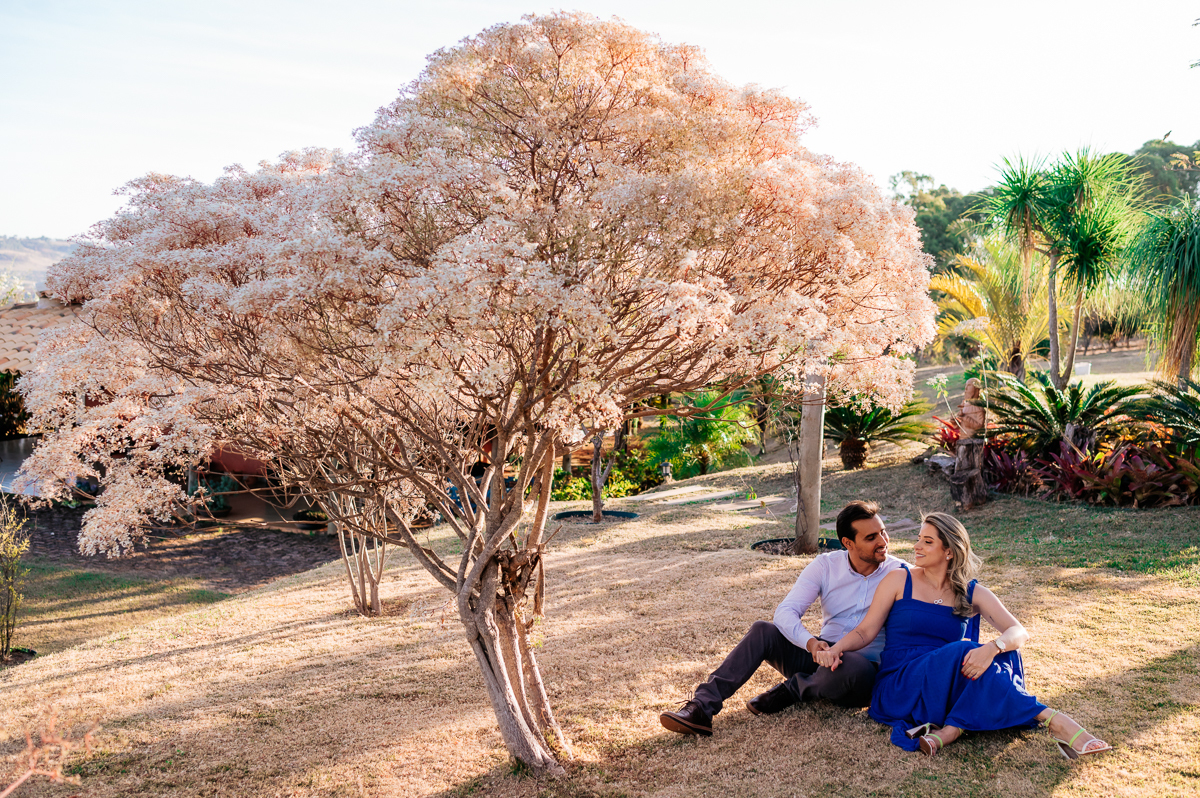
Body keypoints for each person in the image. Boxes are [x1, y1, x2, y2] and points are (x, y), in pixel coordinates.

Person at [814, 512, 1111, 759]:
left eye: (927, 541)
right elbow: (866, 630)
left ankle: (950, 730)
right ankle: (1053, 720)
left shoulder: (971, 592)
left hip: (948, 683)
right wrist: (836, 648)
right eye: (918, 538)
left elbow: (1019, 631)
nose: (916, 546)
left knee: (1006, 651)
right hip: (902, 684)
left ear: (949, 552)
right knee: (964, 648)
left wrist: (992, 648)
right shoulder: (898, 579)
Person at [659, 500, 903, 736]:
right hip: (819, 654)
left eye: (882, 532)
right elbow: (785, 613)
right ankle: (701, 706)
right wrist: (811, 643)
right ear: (848, 543)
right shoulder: (826, 566)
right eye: (871, 537)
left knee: (851, 669)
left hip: (861, 668)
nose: (882, 542)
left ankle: (792, 690)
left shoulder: (901, 572)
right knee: (763, 630)